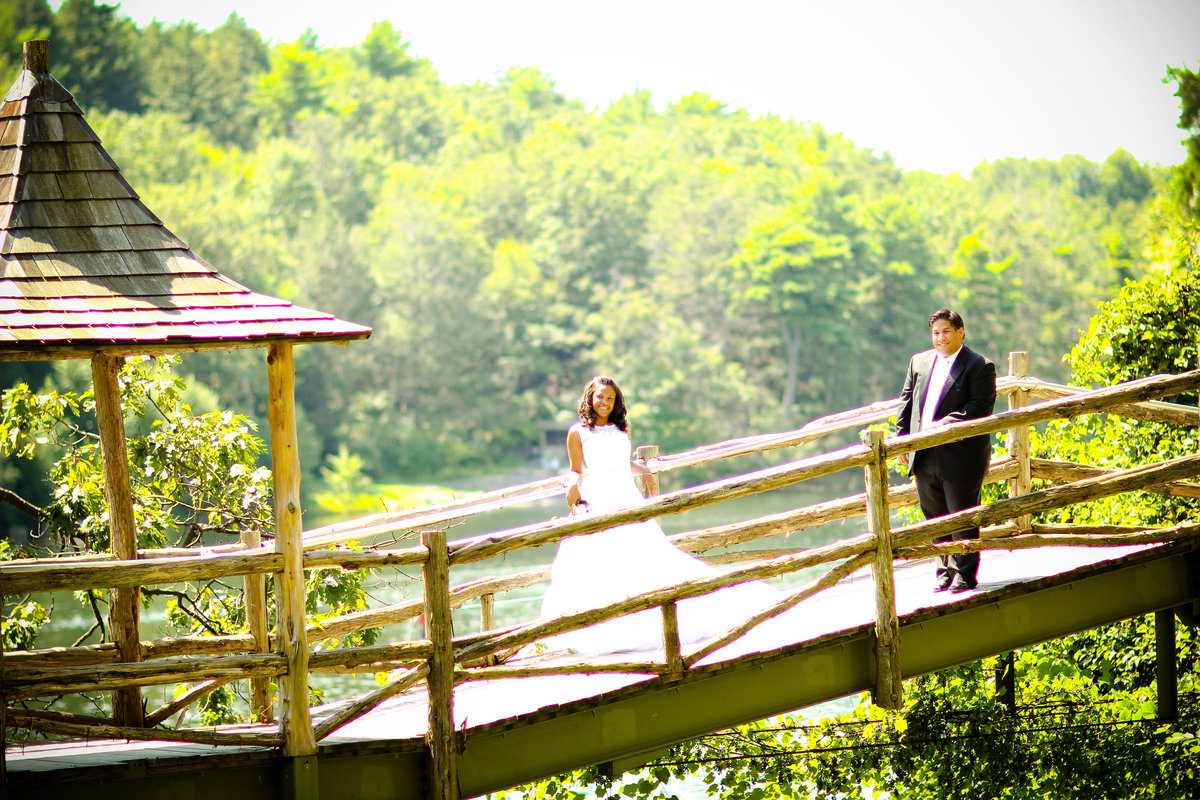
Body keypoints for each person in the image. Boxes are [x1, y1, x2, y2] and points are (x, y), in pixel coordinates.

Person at [539, 375, 780, 655]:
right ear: (590, 398)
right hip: (598, 500)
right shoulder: (577, 432)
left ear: (616, 402)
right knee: (600, 562)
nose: (604, 402)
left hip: (626, 496)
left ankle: (659, 615)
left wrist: (644, 471)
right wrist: (571, 485)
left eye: (610, 398)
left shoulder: (622, 429)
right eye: (600, 397)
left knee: (646, 555)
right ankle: (606, 623)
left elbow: (619, 464)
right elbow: (577, 470)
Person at [895, 309, 997, 593]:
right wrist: (902, 439)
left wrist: (944, 425)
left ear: (960, 332)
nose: (940, 338)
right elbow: (907, 402)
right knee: (935, 515)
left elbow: (980, 406)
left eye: (946, 332)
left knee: (962, 515)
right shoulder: (919, 361)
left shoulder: (979, 365)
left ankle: (965, 574)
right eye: (936, 332)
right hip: (923, 452)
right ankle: (944, 570)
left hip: (961, 455)